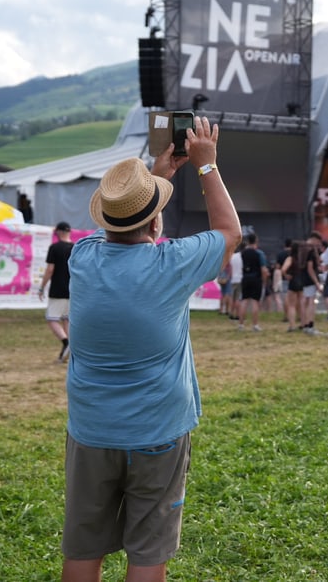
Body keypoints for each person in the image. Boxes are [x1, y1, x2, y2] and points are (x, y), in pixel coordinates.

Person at [60, 116, 241, 582]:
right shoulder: (172, 263)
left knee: (83, 546)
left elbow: (125, 226)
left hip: (92, 430)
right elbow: (229, 231)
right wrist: (206, 166)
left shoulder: (83, 259)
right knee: (147, 555)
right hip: (158, 431)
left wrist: (153, 181)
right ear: (156, 220)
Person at [39, 221, 74, 362]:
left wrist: (42, 287)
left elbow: (50, 270)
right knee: (67, 319)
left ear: (58, 232)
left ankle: (66, 342)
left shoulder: (54, 248)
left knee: (51, 319)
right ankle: (71, 351)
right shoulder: (75, 248)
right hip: (72, 290)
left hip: (58, 289)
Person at [237, 233, 269, 331]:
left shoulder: (243, 253)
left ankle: (241, 325)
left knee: (244, 301)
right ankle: (255, 325)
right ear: (256, 241)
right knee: (255, 302)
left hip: (245, 278)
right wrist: (264, 281)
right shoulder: (259, 253)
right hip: (256, 279)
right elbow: (263, 269)